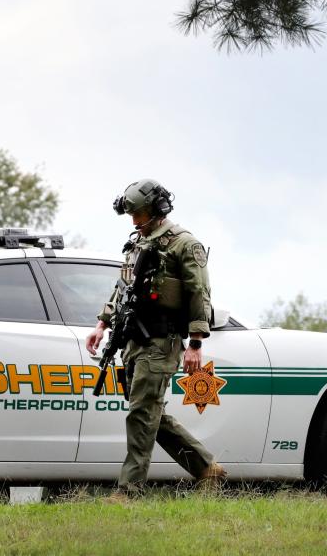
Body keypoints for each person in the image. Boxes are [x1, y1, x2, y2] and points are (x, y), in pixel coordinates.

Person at [85, 178, 226, 502]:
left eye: (141, 213)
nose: (135, 220)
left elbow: (199, 294)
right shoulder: (138, 242)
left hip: (163, 341)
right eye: (132, 214)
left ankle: (129, 490)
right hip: (133, 340)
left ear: (158, 209)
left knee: (141, 413)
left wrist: (195, 344)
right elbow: (123, 288)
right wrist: (102, 323)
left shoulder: (184, 244)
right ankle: (207, 468)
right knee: (148, 412)